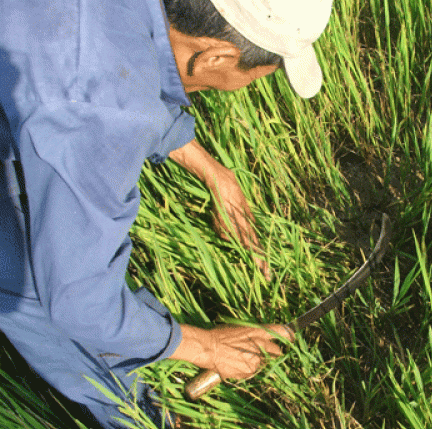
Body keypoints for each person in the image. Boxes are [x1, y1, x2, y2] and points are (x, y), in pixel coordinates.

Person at [0, 0, 332, 427]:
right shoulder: (95, 114)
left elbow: (127, 57)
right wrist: (204, 347)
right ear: (217, 56)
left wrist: (215, 173)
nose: (247, 86)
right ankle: (136, 414)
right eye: (257, 76)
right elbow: (78, 301)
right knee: (38, 294)